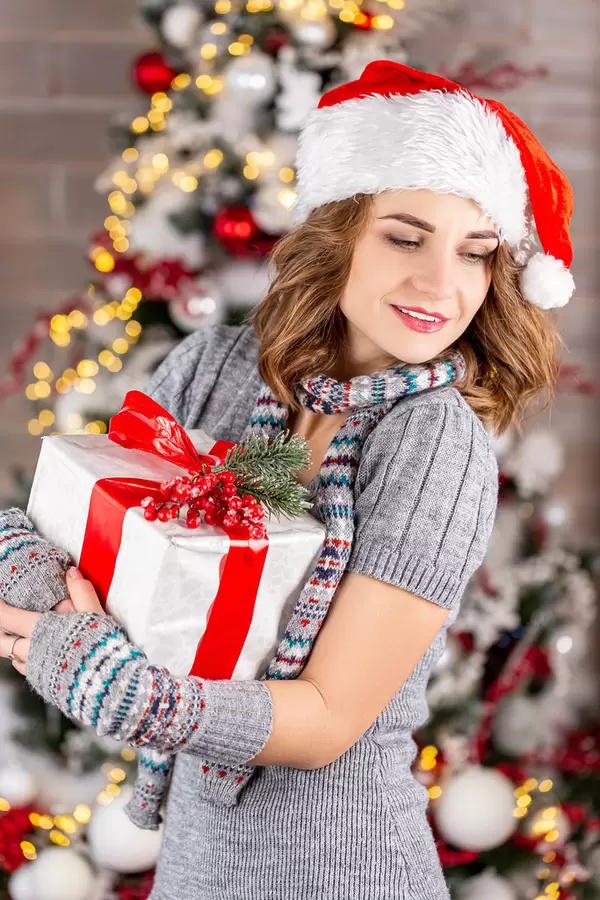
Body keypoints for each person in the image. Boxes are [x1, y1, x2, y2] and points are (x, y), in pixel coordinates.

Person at [0, 61, 574, 899]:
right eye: (405, 236)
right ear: (338, 231)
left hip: (342, 867)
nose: (439, 285)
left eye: (476, 254)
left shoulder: (438, 443)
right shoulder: (213, 371)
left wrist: (130, 692)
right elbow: (81, 522)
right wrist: (29, 565)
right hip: (196, 857)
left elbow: (329, 721)